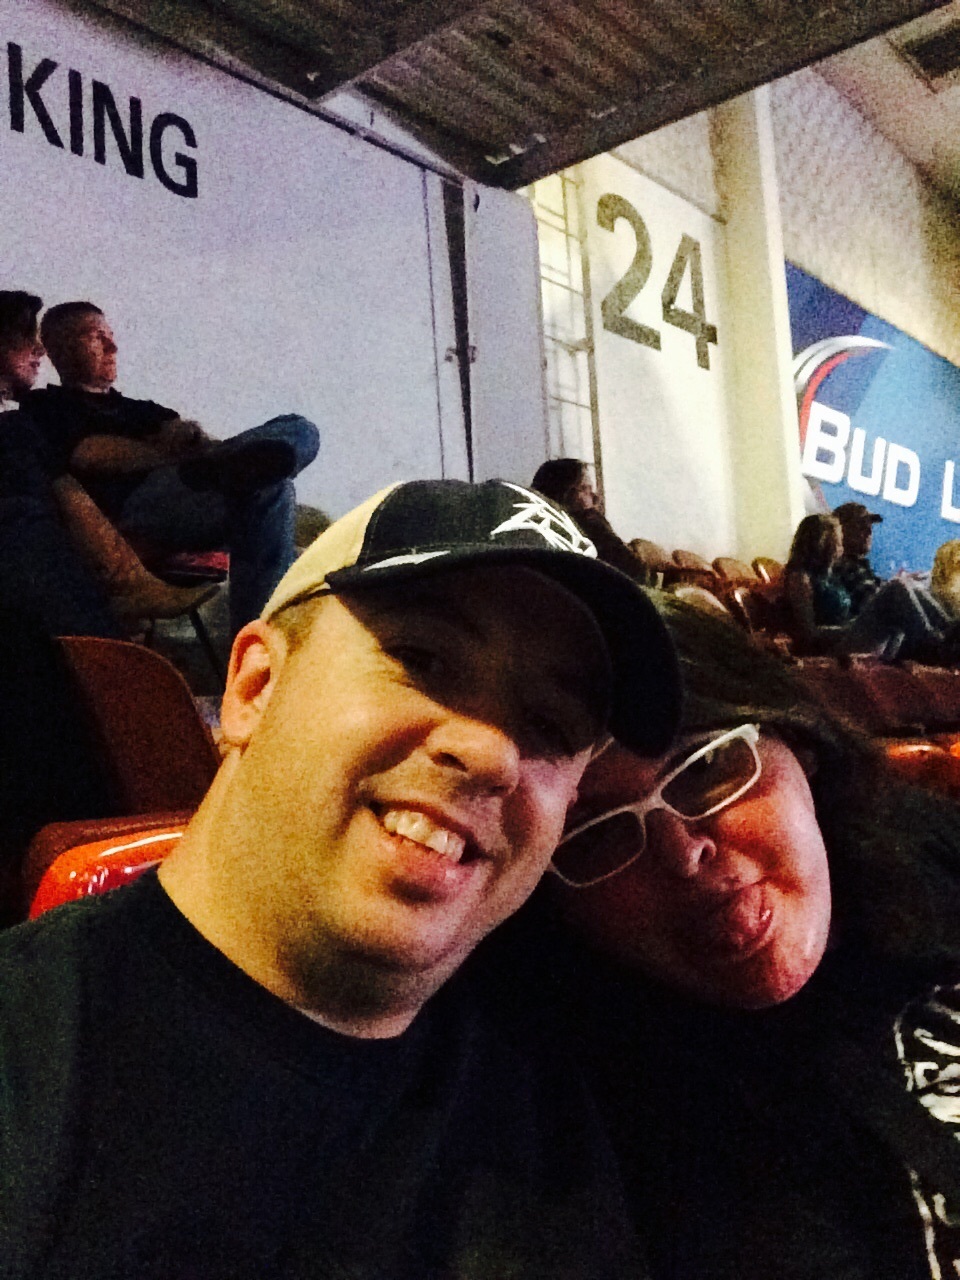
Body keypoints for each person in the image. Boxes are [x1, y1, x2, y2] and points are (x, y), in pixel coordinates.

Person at [0, 477, 681, 1278]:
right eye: (421, 659)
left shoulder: (585, 1087)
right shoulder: (33, 1065)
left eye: (551, 725)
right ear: (255, 688)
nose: (493, 753)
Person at [535, 595, 960, 1280]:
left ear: (800, 742)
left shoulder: (931, 852)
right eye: (596, 834)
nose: (681, 854)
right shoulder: (631, 1144)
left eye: (706, 768)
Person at [24, 301, 320, 633]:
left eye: (111, 335)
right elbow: (89, 455)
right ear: (60, 347)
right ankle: (262, 636)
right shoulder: (46, 406)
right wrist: (178, 455)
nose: (112, 347)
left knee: (293, 440)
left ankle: (255, 640)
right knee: (264, 485)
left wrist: (202, 447)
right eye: (95, 336)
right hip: (129, 515)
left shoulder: (144, 410)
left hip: (191, 498)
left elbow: (189, 439)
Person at [783, 511, 954, 661]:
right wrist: (849, 629)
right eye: (838, 541)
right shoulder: (800, 579)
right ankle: (934, 645)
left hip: (849, 633)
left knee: (912, 587)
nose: (841, 546)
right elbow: (809, 635)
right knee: (896, 588)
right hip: (835, 649)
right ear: (822, 544)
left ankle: (950, 631)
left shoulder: (829, 575)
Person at [531, 456, 644, 578]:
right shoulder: (589, 523)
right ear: (565, 494)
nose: (596, 497)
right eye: (585, 489)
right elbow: (636, 570)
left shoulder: (534, 529)